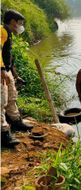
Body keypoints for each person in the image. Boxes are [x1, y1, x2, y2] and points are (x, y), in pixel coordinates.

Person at [1, 10, 33, 147]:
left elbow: (8, 55)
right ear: (13, 21)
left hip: (5, 70)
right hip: (1, 71)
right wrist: (1, 71)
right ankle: (4, 134)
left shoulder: (8, 34)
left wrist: (14, 73)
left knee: (12, 96)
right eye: (19, 23)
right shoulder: (2, 31)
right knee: (1, 101)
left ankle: (15, 122)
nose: (20, 26)